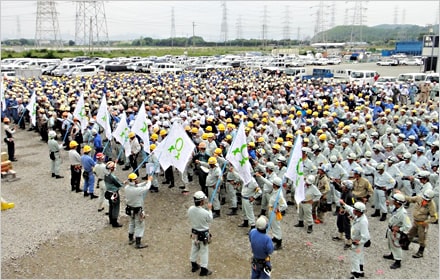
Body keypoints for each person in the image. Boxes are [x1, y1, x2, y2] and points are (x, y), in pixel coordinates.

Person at [398, 189, 438, 258]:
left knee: (422, 238)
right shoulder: (419, 198)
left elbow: (434, 217)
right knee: (410, 234)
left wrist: (426, 222)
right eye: (424, 198)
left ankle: (420, 252)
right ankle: (406, 245)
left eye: (427, 200)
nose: (425, 200)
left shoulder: (432, 206)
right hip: (415, 222)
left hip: (422, 224)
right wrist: (401, 196)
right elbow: (410, 199)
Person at [339, 201, 370, 279]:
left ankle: (356, 274)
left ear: (360, 211)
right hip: (358, 242)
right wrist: (344, 204)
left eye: (355, 210)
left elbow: (365, 236)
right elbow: (350, 209)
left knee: (355, 257)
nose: (353, 211)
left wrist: (359, 242)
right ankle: (361, 270)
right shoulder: (358, 216)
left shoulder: (363, 222)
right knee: (360, 256)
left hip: (358, 242)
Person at [383, 193, 412, 269]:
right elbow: (391, 212)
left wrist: (399, 229)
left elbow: (408, 226)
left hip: (396, 233)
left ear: (398, 202)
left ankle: (398, 261)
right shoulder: (396, 208)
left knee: (396, 246)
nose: (392, 201)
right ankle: (392, 255)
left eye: (394, 200)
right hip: (391, 230)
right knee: (391, 244)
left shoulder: (403, 213)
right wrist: (388, 206)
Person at [188, 191, 213, 276]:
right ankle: (204, 269)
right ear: (201, 201)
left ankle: (194, 264)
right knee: (204, 251)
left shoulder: (190, 209)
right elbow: (210, 220)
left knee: (194, 248)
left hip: (195, 233)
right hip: (203, 234)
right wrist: (209, 209)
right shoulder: (205, 212)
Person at [125, 173, 152, 249]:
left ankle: (130, 238)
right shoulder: (136, 190)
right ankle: (138, 243)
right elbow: (146, 188)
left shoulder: (127, 187)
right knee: (140, 225)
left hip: (130, 209)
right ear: (134, 180)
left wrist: (145, 181)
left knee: (132, 223)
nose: (137, 180)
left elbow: (138, 185)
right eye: (136, 179)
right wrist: (149, 181)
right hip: (137, 209)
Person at [332, 180, 355, 250]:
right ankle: (340, 235)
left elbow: (353, 205)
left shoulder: (350, 195)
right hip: (342, 210)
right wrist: (334, 183)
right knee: (339, 223)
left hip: (346, 212)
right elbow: (338, 188)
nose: (342, 186)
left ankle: (349, 241)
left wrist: (347, 211)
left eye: (344, 185)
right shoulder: (344, 191)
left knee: (347, 226)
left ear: (347, 187)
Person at [267, 177, 287, 250]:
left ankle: (279, 242)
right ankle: (276, 237)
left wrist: (278, 209)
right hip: (271, 210)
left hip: (275, 213)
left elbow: (284, 205)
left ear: (275, 185)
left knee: (276, 226)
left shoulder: (279, 194)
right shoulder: (276, 191)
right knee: (273, 225)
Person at [104, 161, 124, 227]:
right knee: (115, 207)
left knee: (111, 206)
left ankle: (110, 219)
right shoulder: (113, 177)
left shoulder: (106, 175)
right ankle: (114, 222)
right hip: (114, 193)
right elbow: (119, 184)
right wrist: (123, 183)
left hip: (108, 192)